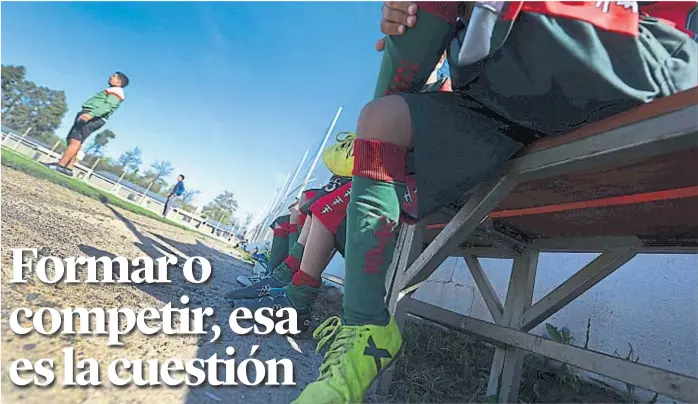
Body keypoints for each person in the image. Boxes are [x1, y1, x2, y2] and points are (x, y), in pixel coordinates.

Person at [292, 2, 697, 403]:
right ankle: (365, 329)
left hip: (620, 56)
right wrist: (418, 28)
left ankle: (306, 284)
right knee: (382, 117)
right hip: (504, 103)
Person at [225, 61, 451, 330]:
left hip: (418, 191)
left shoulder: (443, 89)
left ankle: (296, 298)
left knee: (334, 202)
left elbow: (432, 152)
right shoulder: (404, 91)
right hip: (395, 185)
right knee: (320, 202)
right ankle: (287, 281)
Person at [45, 72, 129, 176]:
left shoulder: (116, 92)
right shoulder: (113, 91)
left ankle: (60, 165)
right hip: (92, 115)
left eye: (114, 76)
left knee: (75, 140)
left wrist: (91, 114)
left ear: (118, 82)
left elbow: (107, 106)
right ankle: (68, 168)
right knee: (76, 141)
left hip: (93, 116)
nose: (110, 76)